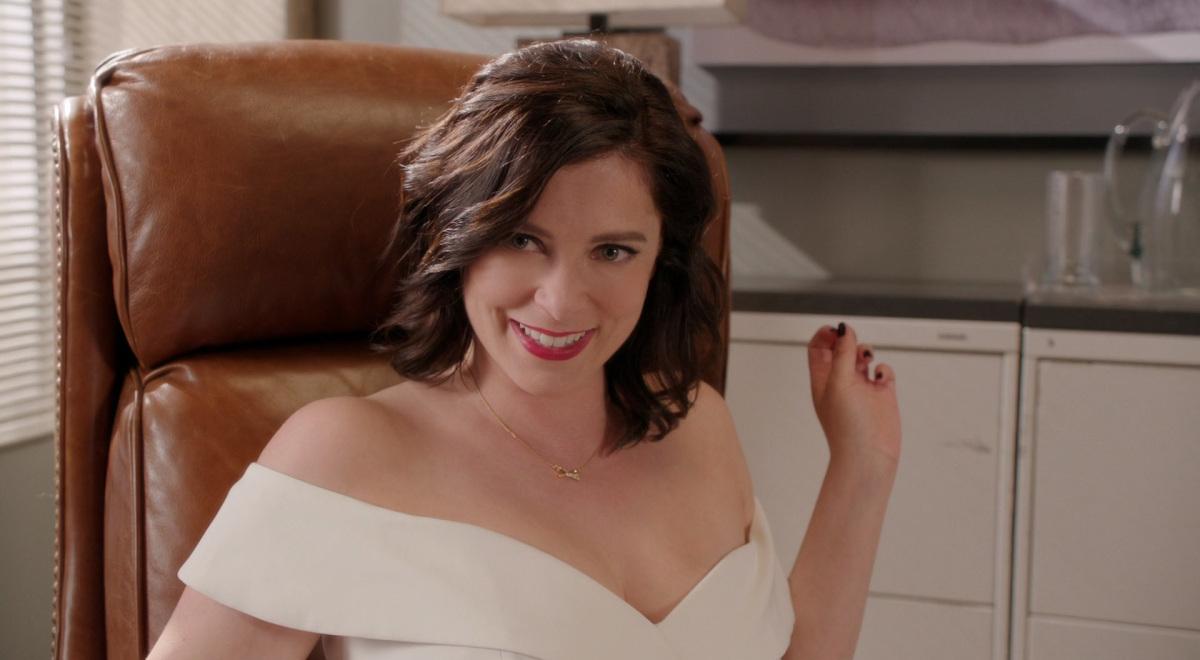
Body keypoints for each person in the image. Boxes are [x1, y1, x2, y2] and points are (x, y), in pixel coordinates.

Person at [147, 39, 900, 660]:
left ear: (661, 262)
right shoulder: (343, 453)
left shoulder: (697, 424)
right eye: (522, 240)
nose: (562, 301)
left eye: (612, 251)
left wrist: (864, 465)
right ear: (456, 238)